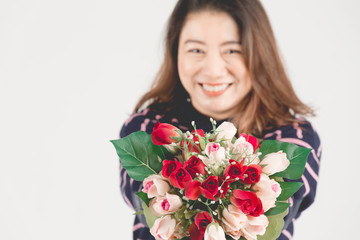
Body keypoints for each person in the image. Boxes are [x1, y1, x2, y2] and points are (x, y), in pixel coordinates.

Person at [118, 0, 321, 239]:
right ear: (175, 53)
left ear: (259, 54)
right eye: (196, 50)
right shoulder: (148, 127)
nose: (213, 70)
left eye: (232, 50)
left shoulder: (293, 136)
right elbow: (147, 203)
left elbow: (276, 211)